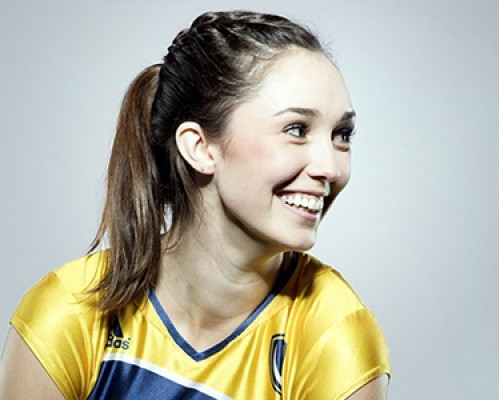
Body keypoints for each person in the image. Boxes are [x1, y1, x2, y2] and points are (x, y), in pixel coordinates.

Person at [0, 10, 390, 399]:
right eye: (296, 130)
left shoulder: (336, 334)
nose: (330, 168)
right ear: (200, 147)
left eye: (342, 134)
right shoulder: (69, 309)